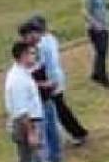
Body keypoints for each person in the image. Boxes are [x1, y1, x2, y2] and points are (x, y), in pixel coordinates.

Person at [19, 21, 67, 162]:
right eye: (36, 33)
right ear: (27, 36)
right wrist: (44, 84)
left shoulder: (38, 50)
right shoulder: (23, 57)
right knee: (42, 139)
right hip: (35, 106)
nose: (40, 36)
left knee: (54, 134)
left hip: (47, 99)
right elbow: (23, 81)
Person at [30, 15, 88, 147]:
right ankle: (75, 132)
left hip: (51, 79)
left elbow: (40, 63)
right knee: (59, 107)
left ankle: (77, 133)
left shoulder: (41, 45)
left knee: (59, 109)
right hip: (56, 76)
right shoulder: (50, 38)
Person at [4, 41, 44, 162]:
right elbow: (22, 111)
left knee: (32, 159)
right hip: (25, 124)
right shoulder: (17, 79)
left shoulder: (23, 73)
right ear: (22, 56)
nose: (34, 56)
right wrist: (31, 132)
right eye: (31, 53)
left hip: (29, 122)